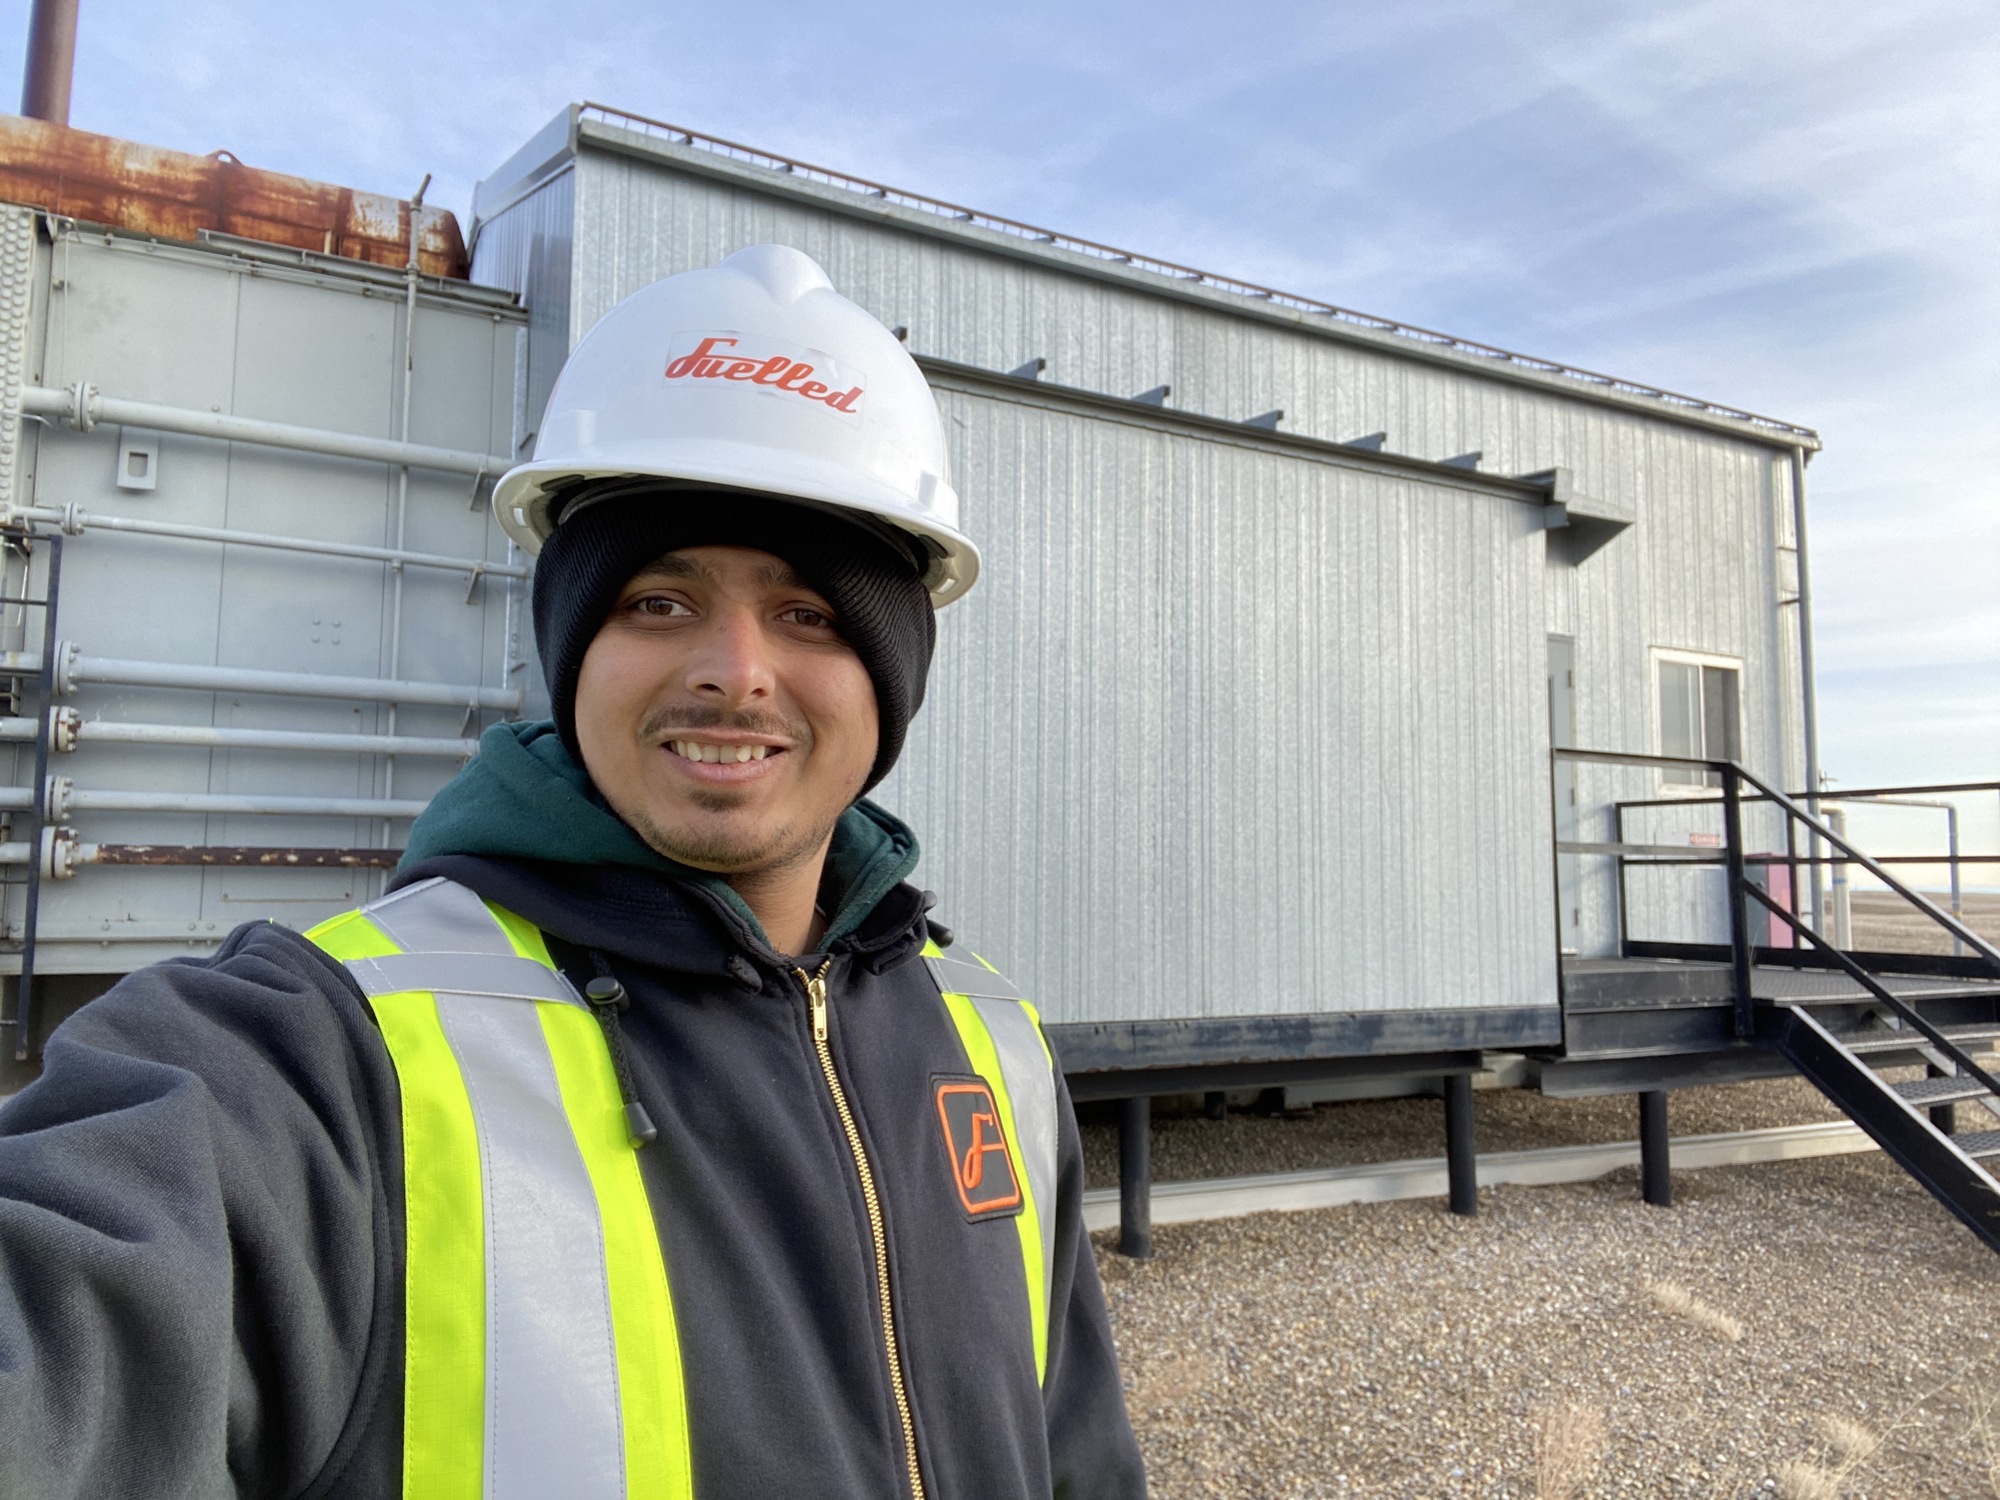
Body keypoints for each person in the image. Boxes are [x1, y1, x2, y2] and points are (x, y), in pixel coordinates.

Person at [0, 244, 1146, 1499]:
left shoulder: (992, 1046)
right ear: (572, 648)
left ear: (892, 676)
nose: (734, 672)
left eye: (810, 614)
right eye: (657, 602)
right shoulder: (314, 1059)